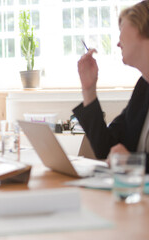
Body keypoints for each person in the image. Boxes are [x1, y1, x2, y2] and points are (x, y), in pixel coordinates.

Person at [73, 0, 149, 173]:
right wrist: (89, 90)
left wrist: (133, 161)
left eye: (122, 30)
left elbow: (125, 158)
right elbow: (105, 148)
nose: (118, 42)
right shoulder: (143, 88)